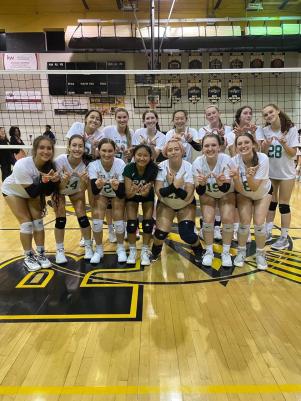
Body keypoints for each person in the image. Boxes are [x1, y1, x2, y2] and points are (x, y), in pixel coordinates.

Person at [1, 136, 59, 271]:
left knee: (38, 221)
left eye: (49, 148)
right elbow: (33, 192)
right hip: (14, 191)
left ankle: (41, 254)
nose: (46, 151)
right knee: (26, 222)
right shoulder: (22, 165)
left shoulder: (50, 165)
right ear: (35, 150)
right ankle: (28, 256)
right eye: (42, 148)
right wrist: (45, 181)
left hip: (32, 190)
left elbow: (47, 192)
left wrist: (53, 181)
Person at [151, 138, 203, 263]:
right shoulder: (161, 167)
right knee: (160, 233)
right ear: (165, 153)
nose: (173, 152)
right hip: (166, 204)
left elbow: (188, 196)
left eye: (176, 149)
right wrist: (174, 185)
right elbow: (159, 193)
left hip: (185, 204)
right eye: (170, 150)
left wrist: (170, 186)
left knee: (187, 234)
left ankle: (199, 250)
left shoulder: (190, 167)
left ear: (182, 151)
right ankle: (154, 252)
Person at [192, 134, 235, 267]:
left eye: (213, 145)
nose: (210, 148)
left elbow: (226, 188)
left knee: (227, 218)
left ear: (219, 147)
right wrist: (202, 184)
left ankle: (226, 252)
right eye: (207, 146)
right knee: (208, 219)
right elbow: (199, 191)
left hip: (226, 193)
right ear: (202, 148)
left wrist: (221, 183)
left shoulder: (227, 159)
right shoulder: (198, 162)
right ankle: (209, 251)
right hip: (208, 193)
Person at [231, 132, 272, 270]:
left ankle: (260, 254)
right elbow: (238, 188)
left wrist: (249, 176)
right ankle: (241, 252)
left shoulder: (263, 158)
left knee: (259, 224)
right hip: (244, 194)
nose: (243, 146)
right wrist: (236, 178)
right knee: (244, 224)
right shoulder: (234, 161)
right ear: (236, 148)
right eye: (240, 143)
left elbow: (254, 187)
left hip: (262, 193)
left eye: (246, 142)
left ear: (253, 144)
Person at [261, 104, 298, 250]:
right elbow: (262, 153)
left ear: (277, 111)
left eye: (271, 112)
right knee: (271, 203)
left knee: (283, 205)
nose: (269, 115)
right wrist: (265, 146)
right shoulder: (265, 131)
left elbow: (293, 154)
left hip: (286, 174)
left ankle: (284, 238)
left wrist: (284, 143)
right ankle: (268, 232)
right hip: (271, 173)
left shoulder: (291, 130)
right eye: (265, 114)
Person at [54, 135, 92, 264]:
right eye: (74, 145)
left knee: (82, 214)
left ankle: (88, 246)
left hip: (76, 190)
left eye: (80, 146)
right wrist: (63, 181)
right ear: (69, 147)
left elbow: (82, 189)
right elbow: (57, 188)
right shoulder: (59, 161)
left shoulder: (87, 164)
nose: (77, 149)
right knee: (60, 217)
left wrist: (82, 182)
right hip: (59, 190)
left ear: (84, 148)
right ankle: (59, 250)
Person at [88, 138, 127, 264]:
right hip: (102, 193)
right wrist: (98, 185)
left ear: (115, 151)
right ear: (99, 151)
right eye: (104, 150)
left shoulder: (120, 163)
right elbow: (94, 191)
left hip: (116, 194)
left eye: (110, 151)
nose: (107, 154)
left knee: (119, 221)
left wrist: (116, 187)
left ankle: (120, 248)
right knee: (97, 222)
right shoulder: (93, 165)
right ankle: (99, 250)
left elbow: (121, 193)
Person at [199, 106, 232, 240]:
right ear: (206, 116)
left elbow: (224, 147)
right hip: (208, 163)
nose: (212, 115)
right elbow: (203, 148)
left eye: (214, 113)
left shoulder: (228, 129)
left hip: (222, 164)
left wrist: (222, 137)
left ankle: (217, 227)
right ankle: (204, 227)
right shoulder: (203, 130)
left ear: (219, 113)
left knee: (221, 197)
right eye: (209, 114)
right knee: (207, 196)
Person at [123, 144, 159, 266]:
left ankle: (144, 250)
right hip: (132, 197)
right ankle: (132, 251)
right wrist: (133, 191)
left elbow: (147, 192)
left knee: (148, 224)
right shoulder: (129, 168)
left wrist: (143, 192)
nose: (142, 158)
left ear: (150, 157)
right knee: (132, 223)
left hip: (146, 196)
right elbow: (128, 194)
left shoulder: (153, 168)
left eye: (145, 155)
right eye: (139, 155)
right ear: (134, 155)